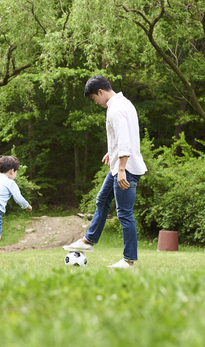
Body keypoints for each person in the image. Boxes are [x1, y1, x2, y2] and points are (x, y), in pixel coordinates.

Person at [64, 76, 147, 268]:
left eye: (94, 99)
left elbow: (125, 140)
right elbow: (125, 135)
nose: (96, 102)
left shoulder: (115, 109)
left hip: (125, 169)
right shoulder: (125, 103)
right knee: (102, 200)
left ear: (100, 92)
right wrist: (112, 152)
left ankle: (129, 260)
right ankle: (88, 241)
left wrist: (121, 169)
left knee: (125, 214)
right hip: (120, 165)